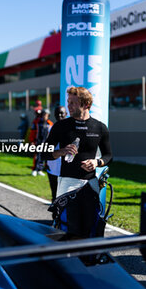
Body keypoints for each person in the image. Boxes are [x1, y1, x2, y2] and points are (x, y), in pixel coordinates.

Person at [42, 87, 112, 238]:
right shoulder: (61, 126)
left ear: (86, 104)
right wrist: (61, 152)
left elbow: (109, 156)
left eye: (73, 103)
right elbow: (44, 153)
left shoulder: (100, 127)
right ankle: (67, 260)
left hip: (90, 185)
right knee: (68, 230)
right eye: (68, 102)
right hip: (68, 184)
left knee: (90, 230)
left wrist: (96, 162)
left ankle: (88, 260)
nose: (69, 106)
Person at [46, 106, 67, 201]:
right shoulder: (51, 128)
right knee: (54, 194)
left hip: (66, 168)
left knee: (65, 195)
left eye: (61, 113)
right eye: (57, 114)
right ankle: (56, 215)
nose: (59, 116)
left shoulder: (71, 129)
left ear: (66, 114)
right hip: (53, 167)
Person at [30, 109, 53, 176]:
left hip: (45, 143)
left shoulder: (50, 124)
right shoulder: (36, 122)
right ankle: (34, 169)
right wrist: (32, 141)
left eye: (46, 115)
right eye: (43, 115)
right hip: (38, 142)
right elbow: (33, 132)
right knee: (37, 156)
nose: (45, 116)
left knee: (43, 157)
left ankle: (40, 169)